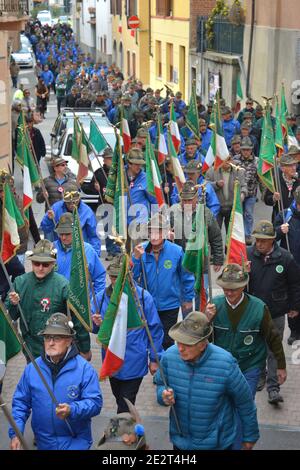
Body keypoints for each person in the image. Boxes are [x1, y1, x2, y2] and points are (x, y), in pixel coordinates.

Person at [206, 263, 286, 448]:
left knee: (243, 405)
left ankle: (239, 443)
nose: (229, 292)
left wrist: (281, 365)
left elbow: (273, 338)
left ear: (243, 286)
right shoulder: (214, 306)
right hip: (222, 368)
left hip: (249, 367)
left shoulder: (259, 308)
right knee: (222, 404)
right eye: (226, 287)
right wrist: (206, 319)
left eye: (233, 288)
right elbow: (201, 338)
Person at [155, 311, 259, 450]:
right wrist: (163, 395)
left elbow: (245, 403)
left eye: (187, 343)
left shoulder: (225, 364)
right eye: (179, 341)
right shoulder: (169, 356)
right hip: (181, 442)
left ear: (203, 345)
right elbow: (161, 383)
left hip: (217, 445)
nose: (180, 348)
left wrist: (249, 436)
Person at [9, 313, 102, 450]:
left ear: (70, 340)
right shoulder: (32, 369)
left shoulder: (84, 370)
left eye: (57, 338)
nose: (51, 343)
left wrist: (72, 409)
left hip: (76, 443)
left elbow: (95, 403)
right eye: (47, 337)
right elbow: (20, 403)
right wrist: (16, 433)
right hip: (44, 443)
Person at [92, 255, 164, 413]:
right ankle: (129, 428)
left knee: (125, 403)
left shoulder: (144, 298)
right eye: (112, 277)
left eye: (119, 277)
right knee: (118, 397)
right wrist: (96, 323)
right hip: (111, 359)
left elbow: (155, 330)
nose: (115, 281)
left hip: (134, 361)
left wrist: (154, 359)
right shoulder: (100, 298)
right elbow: (96, 329)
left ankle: (122, 431)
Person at [5, 240, 91, 361]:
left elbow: (78, 319)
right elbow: (9, 317)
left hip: (57, 349)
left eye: (45, 264)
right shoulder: (20, 283)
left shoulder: (63, 285)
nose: (40, 268)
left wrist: (84, 348)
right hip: (31, 349)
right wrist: (13, 304)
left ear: (53, 263)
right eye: (36, 263)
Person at [247, 220, 300, 403]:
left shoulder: (285, 258)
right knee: (256, 347)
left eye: (263, 240)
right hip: (253, 311)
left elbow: (295, 284)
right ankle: (260, 375)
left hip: (275, 311)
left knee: (273, 349)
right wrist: (243, 273)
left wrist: (295, 306)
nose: (259, 244)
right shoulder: (247, 255)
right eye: (257, 240)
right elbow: (237, 284)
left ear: (272, 240)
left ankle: (273, 387)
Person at [132, 214, 195, 349]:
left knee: (167, 340)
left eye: (158, 231)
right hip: (148, 304)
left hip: (170, 304)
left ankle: (166, 366)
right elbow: (132, 277)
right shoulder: (140, 250)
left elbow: (187, 276)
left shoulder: (176, 251)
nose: (154, 235)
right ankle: (155, 364)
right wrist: (136, 259)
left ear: (166, 232)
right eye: (151, 231)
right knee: (150, 338)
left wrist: (188, 298)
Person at [54, 213, 106, 298]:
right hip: (57, 301)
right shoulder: (52, 248)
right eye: (61, 234)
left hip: (81, 303)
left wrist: (96, 299)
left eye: (67, 234)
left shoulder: (88, 250)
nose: (63, 237)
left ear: (76, 232)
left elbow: (99, 276)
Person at [275, 186, 300, 343]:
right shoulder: (285, 215)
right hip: (290, 264)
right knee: (292, 299)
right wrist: (279, 230)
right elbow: (270, 234)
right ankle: (294, 331)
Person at [40, 191, 101, 255]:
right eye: (68, 203)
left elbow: (94, 236)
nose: (72, 205)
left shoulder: (87, 211)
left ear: (79, 199)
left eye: (75, 202)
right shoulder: (56, 208)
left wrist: (95, 255)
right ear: (64, 201)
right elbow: (45, 228)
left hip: (80, 251)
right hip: (60, 250)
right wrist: (49, 219)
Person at [206, 156, 246, 232]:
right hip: (217, 208)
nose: (227, 162)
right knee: (215, 232)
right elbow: (205, 185)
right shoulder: (211, 171)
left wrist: (242, 194)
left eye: (229, 159)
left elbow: (244, 185)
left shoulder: (238, 171)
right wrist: (216, 184)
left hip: (232, 208)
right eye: (224, 160)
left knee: (232, 234)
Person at [233, 137, 258, 245]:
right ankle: (238, 235)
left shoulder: (257, 161)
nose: (246, 152)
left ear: (251, 150)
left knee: (248, 214)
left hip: (251, 193)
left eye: (248, 150)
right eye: (244, 150)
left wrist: (265, 192)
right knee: (238, 214)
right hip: (238, 193)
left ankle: (247, 235)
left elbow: (261, 178)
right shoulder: (235, 160)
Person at [264, 154, 300, 222]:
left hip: (296, 221)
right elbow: (266, 199)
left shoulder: (298, 181)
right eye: (290, 166)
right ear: (283, 168)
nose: (294, 168)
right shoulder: (276, 181)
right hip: (280, 220)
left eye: (294, 165)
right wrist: (274, 198)